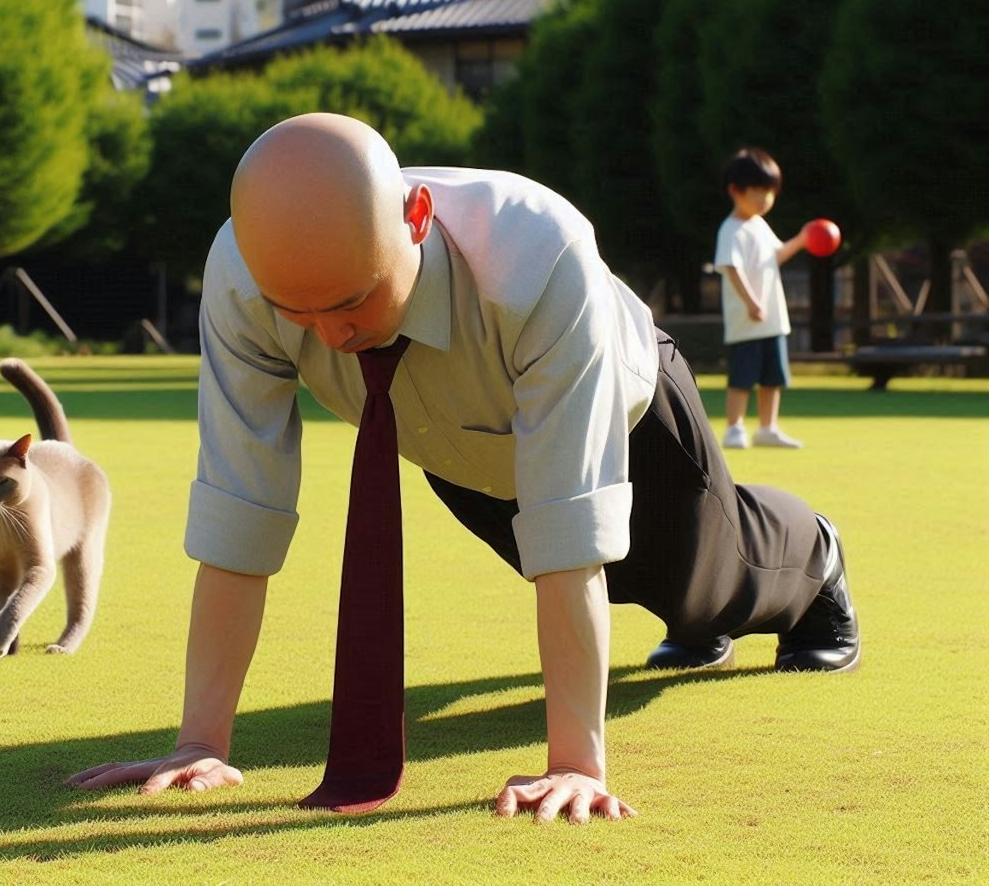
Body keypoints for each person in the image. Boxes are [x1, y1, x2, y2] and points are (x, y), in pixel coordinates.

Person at [67, 114, 859, 824]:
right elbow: (241, 507)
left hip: (631, 411)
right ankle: (698, 622)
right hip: (456, 452)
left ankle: (816, 555)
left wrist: (576, 766)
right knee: (615, 586)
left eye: (351, 301)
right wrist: (198, 739)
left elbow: (569, 522)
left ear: (416, 218)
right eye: (294, 312)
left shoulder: (538, 255)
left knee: (709, 592)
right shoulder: (243, 275)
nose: (328, 336)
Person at [714, 148, 808, 450]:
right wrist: (752, 302)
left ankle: (768, 428)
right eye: (757, 192)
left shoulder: (759, 226)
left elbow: (775, 256)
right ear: (735, 190)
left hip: (773, 319)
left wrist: (803, 240)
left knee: (772, 378)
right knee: (742, 377)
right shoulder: (731, 229)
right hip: (747, 321)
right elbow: (731, 267)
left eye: (769, 193)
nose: (764, 200)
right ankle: (734, 428)